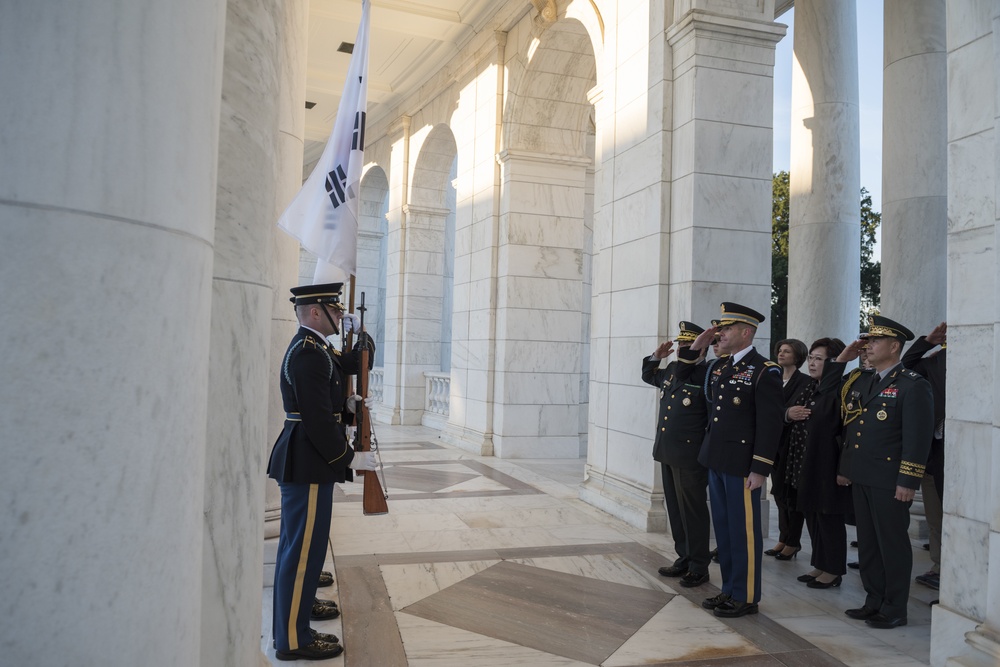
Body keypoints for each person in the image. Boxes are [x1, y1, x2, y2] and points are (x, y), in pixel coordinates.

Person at [267, 283, 377, 661]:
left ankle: (299, 611)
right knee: (299, 553)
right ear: (316, 312)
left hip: (309, 458)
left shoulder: (316, 349)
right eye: (334, 309)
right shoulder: (308, 353)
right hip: (309, 457)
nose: (339, 315)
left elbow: (349, 370)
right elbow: (314, 420)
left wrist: (345, 404)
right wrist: (348, 458)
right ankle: (293, 641)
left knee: (304, 549)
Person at [677, 302, 784, 618]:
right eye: (719, 328)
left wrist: (760, 468)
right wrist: (699, 345)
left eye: (725, 329)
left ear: (746, 332)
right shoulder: (720, 366)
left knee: (744, 534)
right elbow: (683, 374)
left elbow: (770, 423)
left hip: (742, 467)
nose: (719, 333)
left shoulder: (765, 370)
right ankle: (730, 589)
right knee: (723, 533)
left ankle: (747, 596)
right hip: (716, 461)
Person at [830, 316, 934, 629]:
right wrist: (841, 361)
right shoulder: (864, 380)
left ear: (894, 346)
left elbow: (917, 439)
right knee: (868, 542)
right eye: (868, 340)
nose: (868, 346)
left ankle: (894, 607)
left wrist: (908, 481)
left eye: (875, 341)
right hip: (862, 475)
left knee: (892, 544)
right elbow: (832, 397)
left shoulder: (913, 385)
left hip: (890, 480)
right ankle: (873, 599)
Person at [643, 321, 712, 588]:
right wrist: (656, 358)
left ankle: (699, 565)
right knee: (675, 509)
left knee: (693, 511)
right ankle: (684, 556)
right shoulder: (672, 368)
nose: (683, 348)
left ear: (702, 348)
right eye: (682, 344)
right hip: (668, 450)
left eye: (689, 344)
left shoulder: (706, 373)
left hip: (690, 454)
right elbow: (650, 376)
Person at [788, 338, 852, 589]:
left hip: (828, 462)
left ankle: (833, 569)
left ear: (834, 363)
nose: (812, 363)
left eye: (819, 359)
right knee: (812, 513)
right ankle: (820, 563)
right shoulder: (810, 386)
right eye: (811, 357)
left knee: (828, 517)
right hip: (807, 459)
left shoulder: (839, 388)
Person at [902, 322, 947, 593]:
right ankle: (940, 565)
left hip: (969, 451)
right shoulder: (936, 360)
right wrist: (927, 343)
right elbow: (905, 367)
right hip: (937, 451)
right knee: (936, 515)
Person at [767, 339, 810, 560]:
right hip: (772, 444)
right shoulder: (772, 378)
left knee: (791, 496)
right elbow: (768, 408)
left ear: (798, 356)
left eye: (787, 351)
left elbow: (801, 412)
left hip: (792, 445)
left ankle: (793, 542)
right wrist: (785, 413)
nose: (781, 354)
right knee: (778, 495)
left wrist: (783, 414)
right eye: (780, 350)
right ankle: (783, 538)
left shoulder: (805, 382)